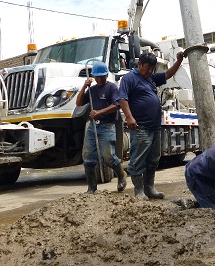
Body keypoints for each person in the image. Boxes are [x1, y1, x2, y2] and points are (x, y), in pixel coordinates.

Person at [117, 51, 185, 200]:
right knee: (138, 159)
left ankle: (149, 188)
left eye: (153, 69)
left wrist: (179, 61)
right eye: (148, 68)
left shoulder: (151, 78)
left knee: (154, 159)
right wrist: (129, 117)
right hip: (140, 127)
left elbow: (167, 74)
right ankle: (139, 191)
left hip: (155, 127)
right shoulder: (129, 78)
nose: (150, 71)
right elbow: (122, 98)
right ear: (139, 64)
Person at [76, 61, 127, 194]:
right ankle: (91, 188)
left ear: (106, 75)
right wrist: (84, 86)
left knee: (108, 156)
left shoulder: (112, 88)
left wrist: (99, 112)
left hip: (107, 126)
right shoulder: (92, 90)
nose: (99, 79)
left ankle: (121, 175)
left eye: (101, 76)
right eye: (96, 77)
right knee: (88, 157)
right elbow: (79, 102)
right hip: (92, 127)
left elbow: (117, 105)